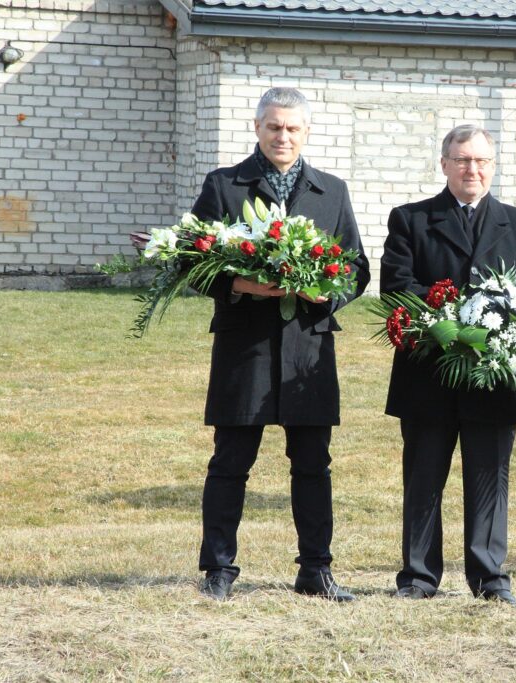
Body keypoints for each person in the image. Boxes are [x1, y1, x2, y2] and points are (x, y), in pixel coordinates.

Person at [190, 87, 369, 602]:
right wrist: (240, 283)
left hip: (307, 351)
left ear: (306, 132)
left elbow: (357, 269)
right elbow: (192, 263)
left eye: (292, 128)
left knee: (313, 464)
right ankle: (218, 569)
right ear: (257, 128)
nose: (282, 136)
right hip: (243, 347)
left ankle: (315, 569)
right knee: (230, 462)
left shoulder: (331, 191)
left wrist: (325, 293)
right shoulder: (225, 186)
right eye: (273, 127)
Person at [381, 124, 516, 606]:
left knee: (489, 481)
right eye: (461, 160)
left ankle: (490, 577)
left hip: (495, 379)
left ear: (492, 167)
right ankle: (418, 577)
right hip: (428, 375)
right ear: (444, 164)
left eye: (480, 161)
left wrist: (504, 322)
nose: (470, 169)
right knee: (423, 480)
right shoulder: (411, 219)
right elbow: (396, 287)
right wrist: (460, 317)